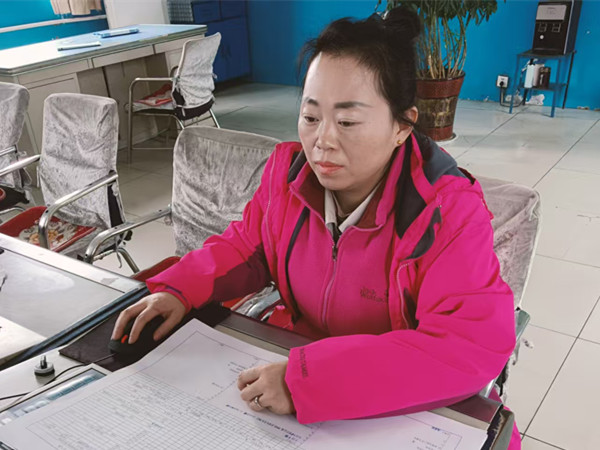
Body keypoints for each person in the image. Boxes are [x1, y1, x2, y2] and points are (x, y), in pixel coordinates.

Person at [112, 7, 519, 448]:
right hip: (293, 372)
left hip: (400, 405)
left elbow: (466, 346)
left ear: (402, 126)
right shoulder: (288, 175)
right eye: (311, 117)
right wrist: (179, 289)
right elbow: (248, 247)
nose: (322, 140)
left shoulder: (446, 212)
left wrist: (308, 381)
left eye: (347, 122)